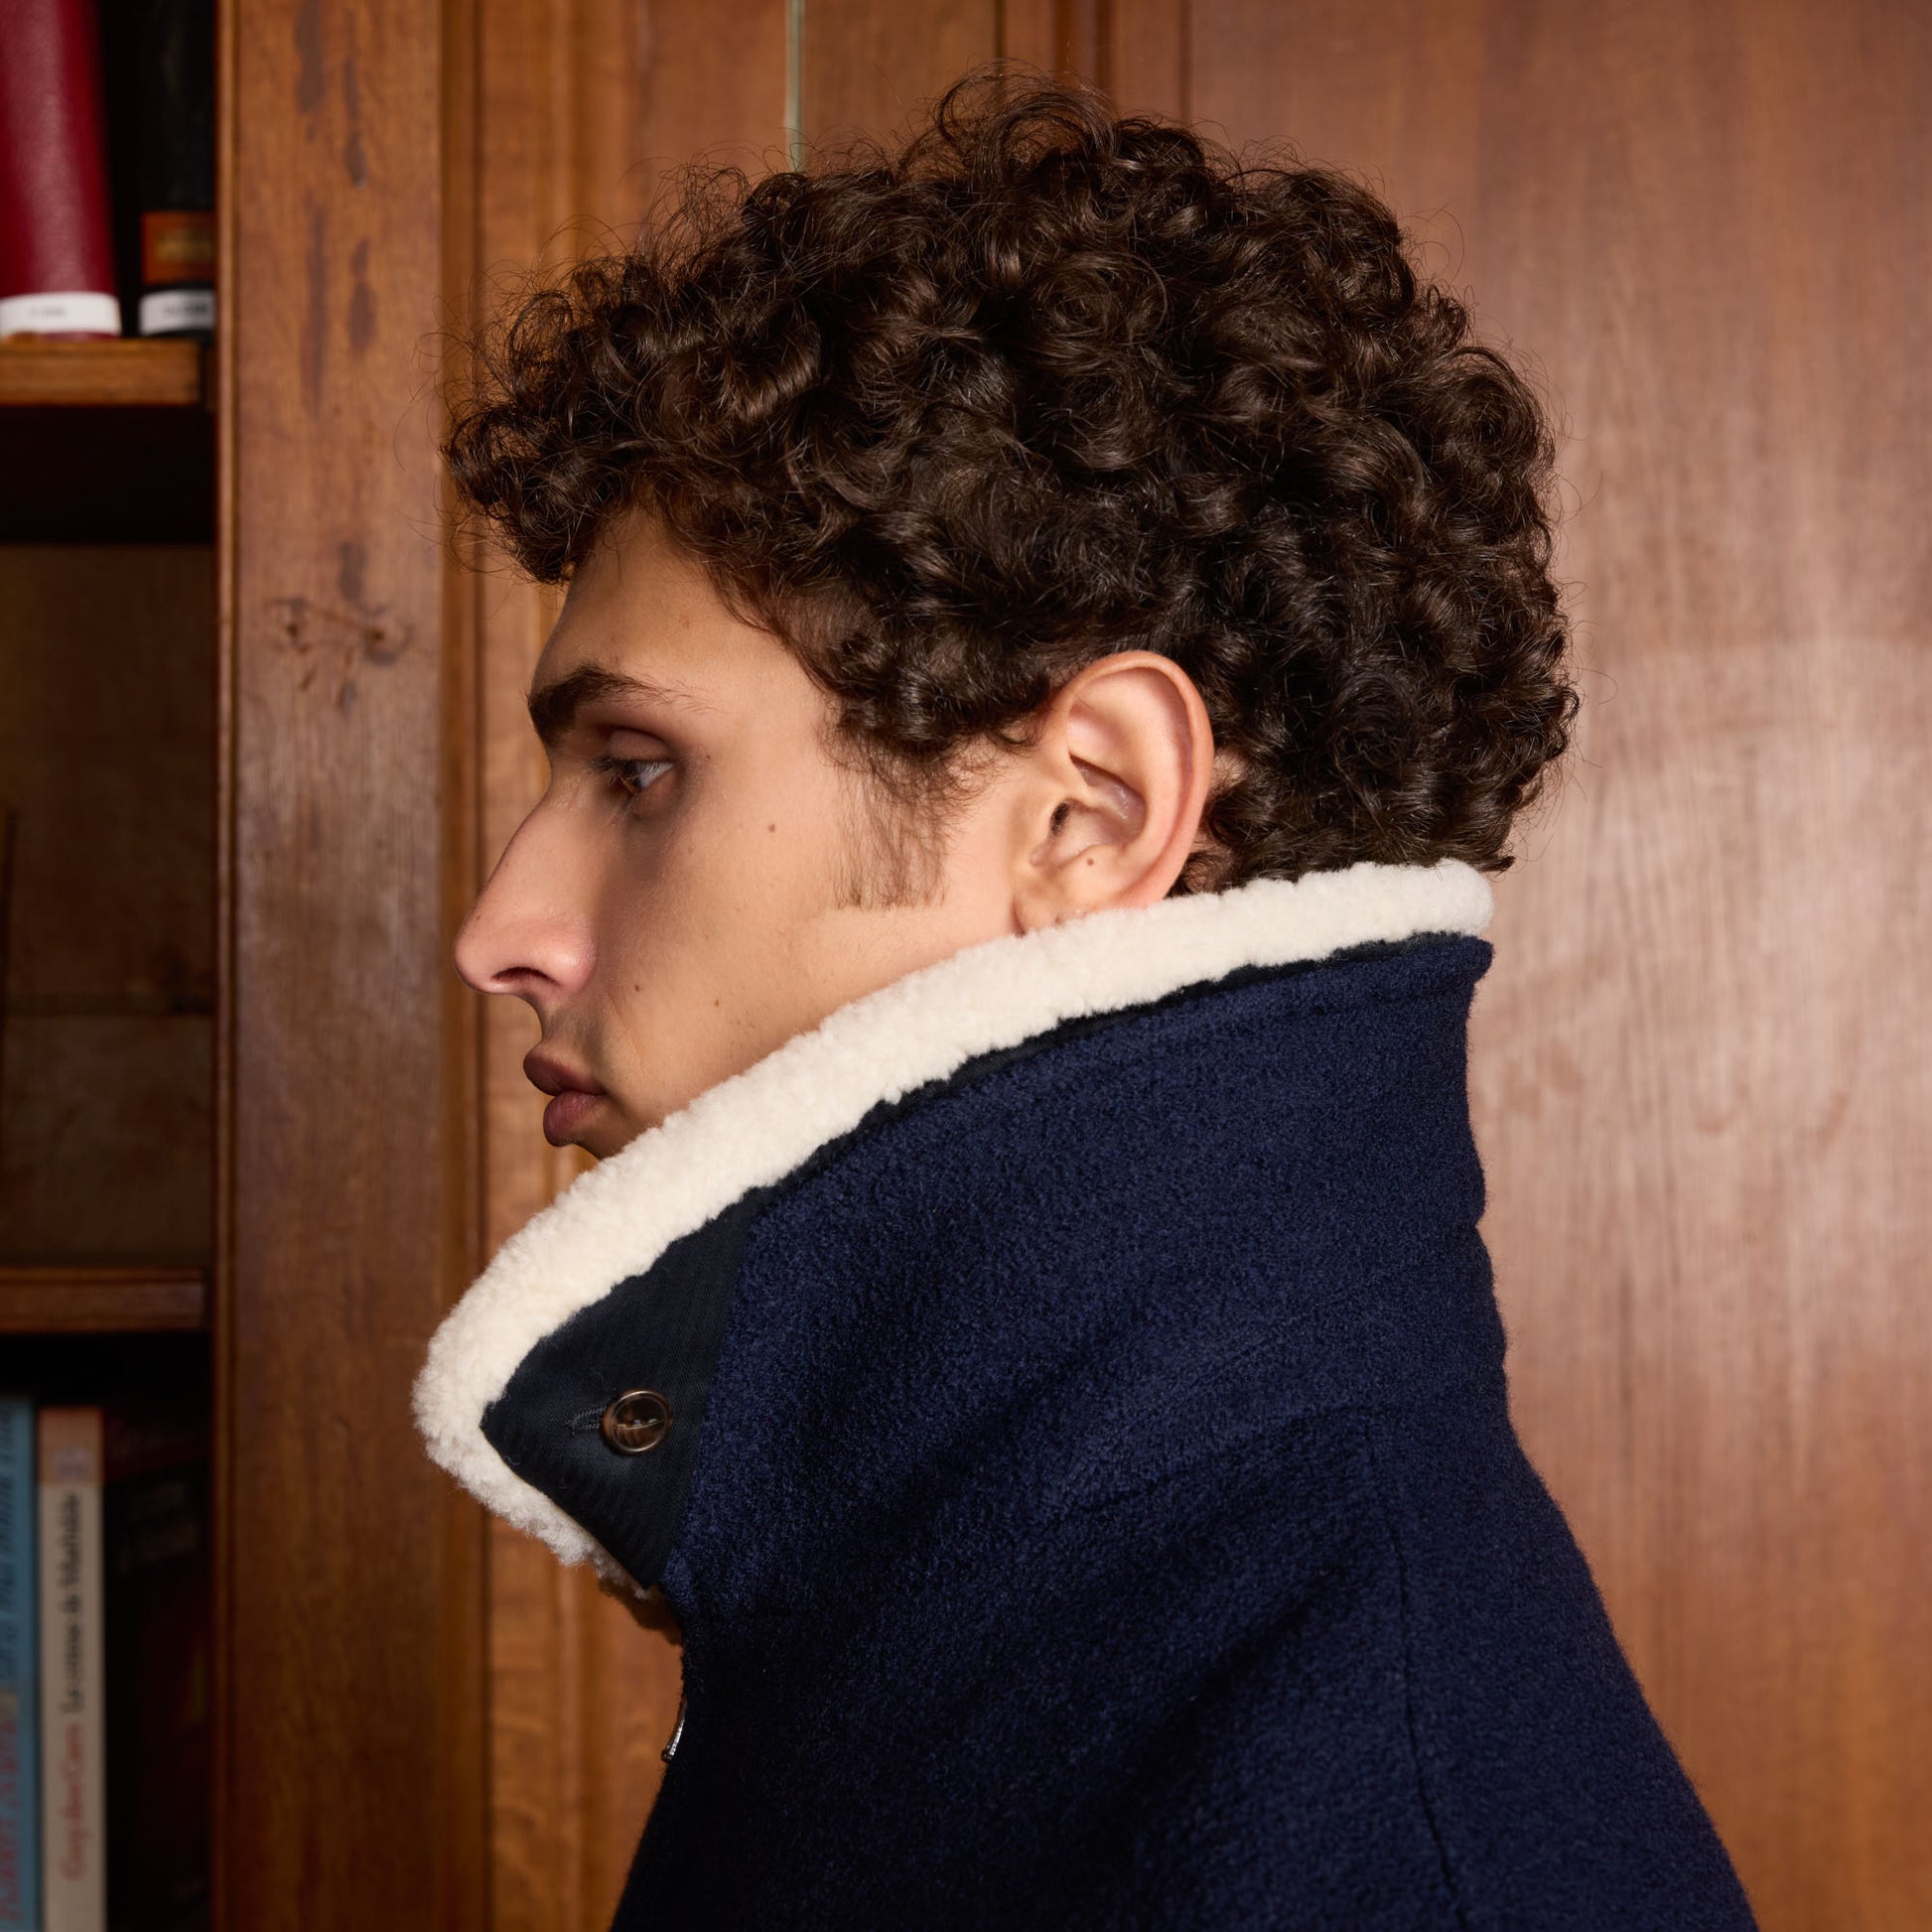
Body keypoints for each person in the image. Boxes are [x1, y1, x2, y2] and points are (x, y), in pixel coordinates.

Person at [412, 71, 1758, 1930]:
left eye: (638, 771)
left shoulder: (1382, 1826)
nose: (498, 930)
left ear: (1092, 811)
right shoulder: (1026, 1588)